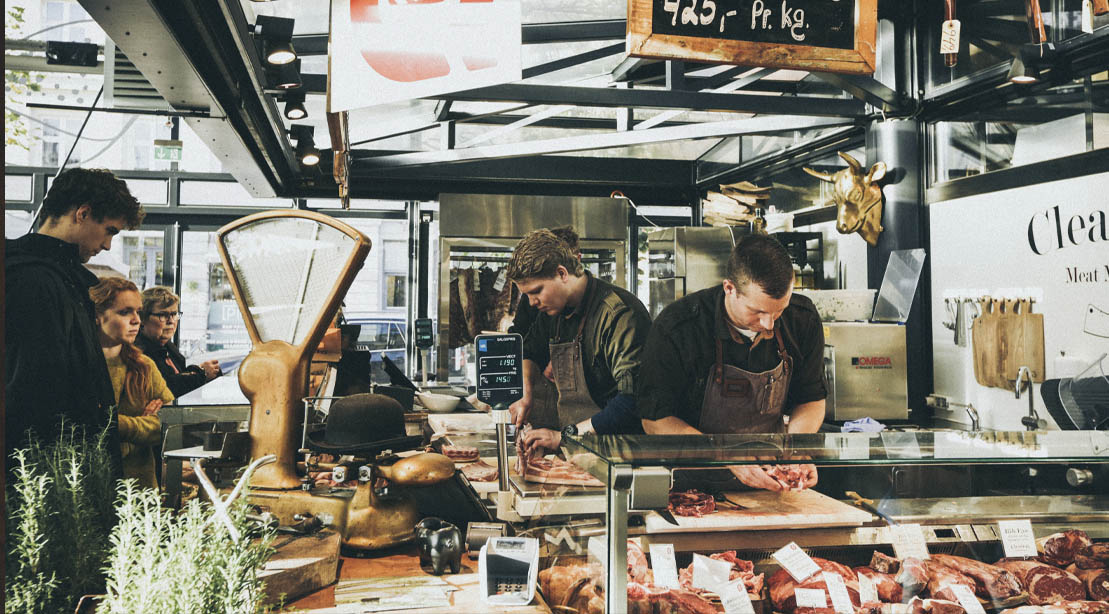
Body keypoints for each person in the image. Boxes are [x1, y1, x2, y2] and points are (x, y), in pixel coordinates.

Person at [637, 234, 825, 491]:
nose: (769, 324)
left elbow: (810, 399)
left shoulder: (802, 318)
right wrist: (723, 453)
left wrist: (796, 449)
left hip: (773, 485)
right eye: (757, 312)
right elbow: (655, 420)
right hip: (693, 486)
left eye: (779, 310)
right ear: (729, 288)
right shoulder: (677, 327)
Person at [5, 168, 144, 470]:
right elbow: (33, 389)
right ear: (82, 213)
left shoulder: (53, 275)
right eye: (110, 230)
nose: (107, 245)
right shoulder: (35, 280)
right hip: (49, 472)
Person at [506, 229, 651, 460]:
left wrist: (564, 436)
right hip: (579, 450)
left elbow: (632, 401)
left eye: (536, 292)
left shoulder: (618, 315)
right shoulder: (553, 311)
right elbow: (530, 350)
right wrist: (526, 391)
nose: (532, 303)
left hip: (620, 453)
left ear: (562, 273)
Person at [92, 277, 174, 488]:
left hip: (139, 489)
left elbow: (170, 424)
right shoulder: (79, 366)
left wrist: (119, 425)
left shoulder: (144, 366)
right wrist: (142, 424)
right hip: (92, 487)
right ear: (97, 316)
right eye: (124, 312)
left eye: (138, 311)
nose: (136, 320)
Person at [507, 226, 580, 430]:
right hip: (544, 399)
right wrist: (525, 390)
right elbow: (526, 344)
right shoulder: (544, 305)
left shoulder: (611, 311)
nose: (532, 302)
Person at [135, 286, 220, 397]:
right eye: (163, 315)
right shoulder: (137, 351)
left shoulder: (168, 346)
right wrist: (202, 373)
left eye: (174, 314)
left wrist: (200, 371)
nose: (171, 321)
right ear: (142, 318)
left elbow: (179, 376)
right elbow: (164, 387)